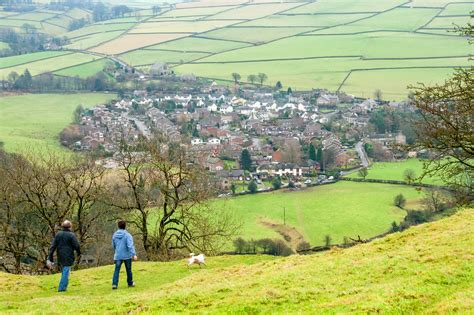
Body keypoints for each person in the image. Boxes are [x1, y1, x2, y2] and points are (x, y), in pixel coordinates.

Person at [47, 220, 81, 292]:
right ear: (70, 227)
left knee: (64, 270)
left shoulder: (58, 234)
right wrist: (79, 253)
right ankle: (62, 288)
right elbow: (76, 245)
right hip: (68, 255)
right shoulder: (71, 235)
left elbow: (53, 246)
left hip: (60, 255)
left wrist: (50, 256)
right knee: (66, 270)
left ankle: (64, 286)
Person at [112, 220, 137, 290]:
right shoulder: (128, 235)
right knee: (128, 270)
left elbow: (113, 245)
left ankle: (114, 284)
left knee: (116, 270)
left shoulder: (114, 235)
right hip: (127, 256)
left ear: (118, 226)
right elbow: (130, 246)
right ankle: (130, 283)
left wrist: (116, 252)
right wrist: (134, 254)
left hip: (118, 256)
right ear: (125, 226)